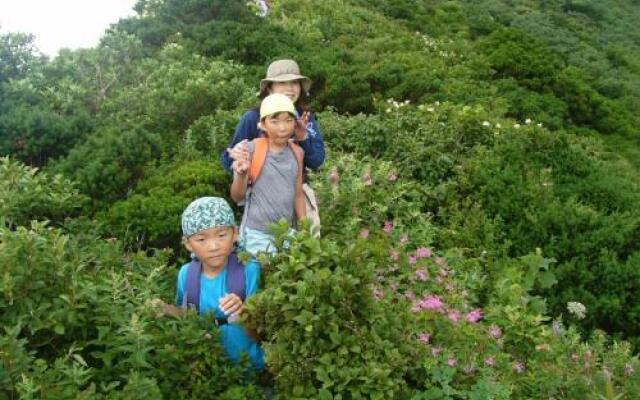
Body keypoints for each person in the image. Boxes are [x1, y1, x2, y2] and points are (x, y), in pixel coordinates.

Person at [153, 197, 264, 370]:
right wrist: (166, 309)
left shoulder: (249, 269)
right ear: (188, 244)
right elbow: (189, 314)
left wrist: (244, 313)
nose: (213, 246)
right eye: (201, 239)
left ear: (235, 234)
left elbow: (264, 331)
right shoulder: (186, 274)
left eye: (221, 235)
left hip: (253, 366)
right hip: (211, 368)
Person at [221, 59, 324, 237]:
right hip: (264, 199)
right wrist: (236, 157)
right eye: (282, 83)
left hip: (299, 193)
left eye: (294, 83)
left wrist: (303, 138)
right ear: (269, 88)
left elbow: (316, 160)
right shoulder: (253, 118)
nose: (290, 88)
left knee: (307, 248)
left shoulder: (305, 118)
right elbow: (226, 159)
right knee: (265, 251)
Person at [230, 93, 306, 255]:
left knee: (286, 278)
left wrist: (305, 231)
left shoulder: (298, 153)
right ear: (263, 124)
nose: (283, 127)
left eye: (288, 120)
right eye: (274, 121)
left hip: (288, 233)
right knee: (259, 277)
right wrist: (241, 174)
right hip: (257, 234)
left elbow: (298, 194)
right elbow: (237, 196)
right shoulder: (250, 150)